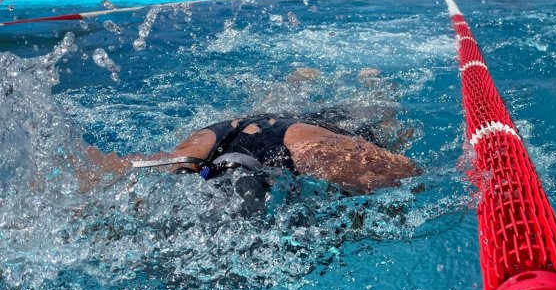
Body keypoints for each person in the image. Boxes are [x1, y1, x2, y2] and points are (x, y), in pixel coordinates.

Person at [86, 69, 420, 199]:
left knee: (380, 126)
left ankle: (376, 87)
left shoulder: (320, 152)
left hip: (294, 133)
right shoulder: (191, 155)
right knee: (269, 114)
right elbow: (418, 179)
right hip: (230, 134)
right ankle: (296, 84)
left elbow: (414, 175)